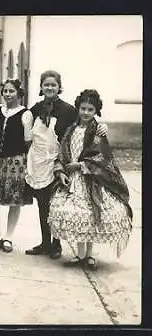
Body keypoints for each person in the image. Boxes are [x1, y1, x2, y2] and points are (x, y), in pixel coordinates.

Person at [25, 70, 108, 259]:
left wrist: (103, 126)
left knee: (56, 203)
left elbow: (85, 123)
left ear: (59, 87)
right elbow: (25, 123)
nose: (50, 88)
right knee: (42, 203)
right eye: (46, 84)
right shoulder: (36, 108)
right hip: (39, 162)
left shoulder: (69, 110)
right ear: (41, 87)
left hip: (60, 161)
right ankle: (45, 242)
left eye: (53, 85)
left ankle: (56, 244)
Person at [47, 90, 133, 270]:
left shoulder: (97, 131)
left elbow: (102, 157)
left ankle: (90, 255)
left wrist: (80, 165)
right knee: (75, 213)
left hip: (90, 178)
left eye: (90, 110)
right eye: (83, 109)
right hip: (71, 179)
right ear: (78, 109)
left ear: (96, 112)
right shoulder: (71, 130)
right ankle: (79, 254)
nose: (86, 113)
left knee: (91, 214)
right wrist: (61, 171)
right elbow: (62, 153)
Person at [0, 79, 33, 253]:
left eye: (11, 91)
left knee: (15, 200)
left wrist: (27, 164)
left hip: (15, 160)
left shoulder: (25, 114)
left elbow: (28, 142)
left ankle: (8, 236)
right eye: (5, 91)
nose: (7, 94)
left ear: (19, 94)